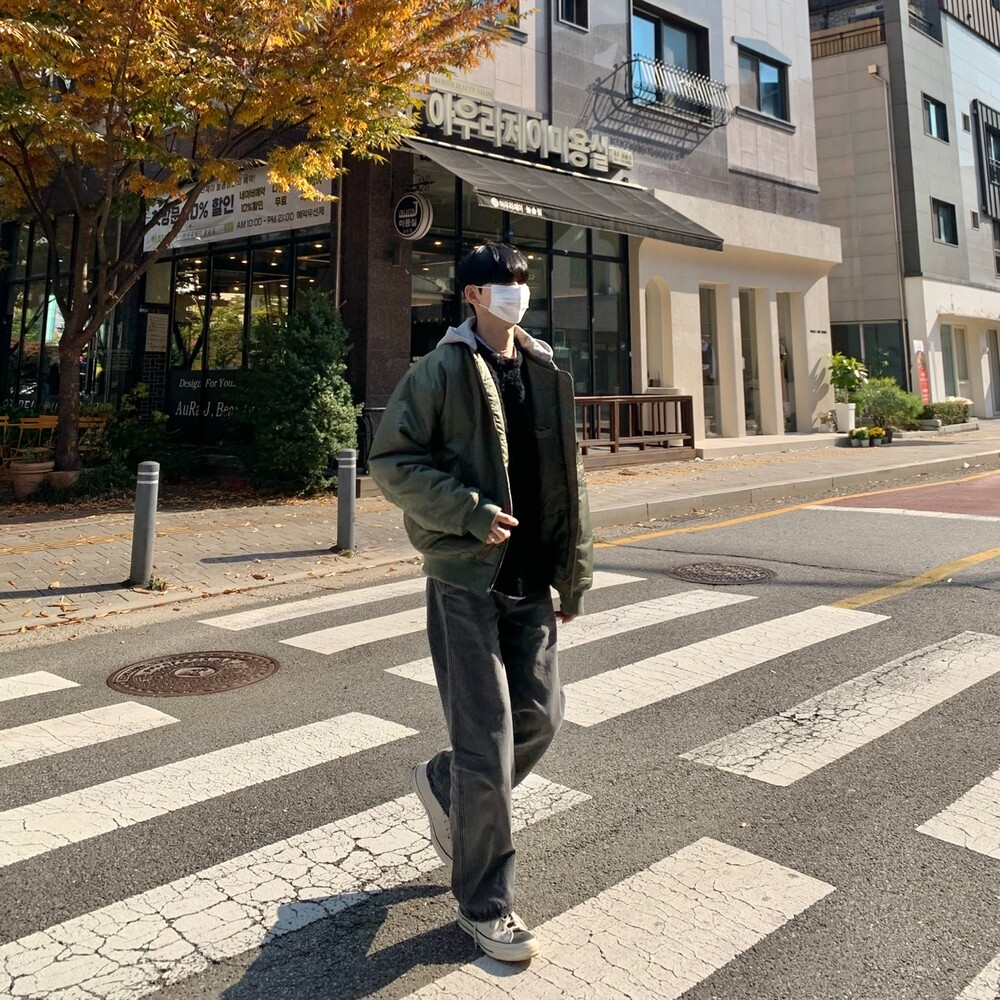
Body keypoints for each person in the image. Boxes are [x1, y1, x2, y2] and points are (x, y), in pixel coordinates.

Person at [368, 241, 593, 963]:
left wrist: (574, 573)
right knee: (486, 741)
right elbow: (391, 461)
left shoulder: (545, 366)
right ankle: (484, 905)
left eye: (522, 279)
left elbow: (567, 480)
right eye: (502, 281)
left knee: (540, 717)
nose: (516, 289)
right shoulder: (439, 370)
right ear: (471, 295)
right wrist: (467, 512)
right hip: (465, 578)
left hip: (530, 580)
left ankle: (446, 783)